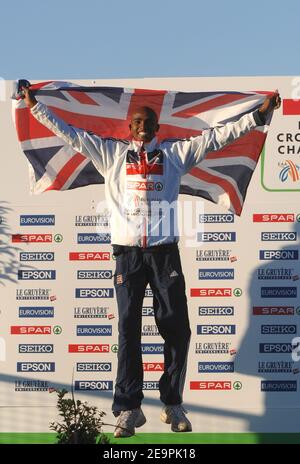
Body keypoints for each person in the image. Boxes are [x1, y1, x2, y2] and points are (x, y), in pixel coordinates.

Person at [22, 86, 281, 437]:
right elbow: (70, 133)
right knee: (128, 331)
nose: (143, 126)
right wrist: (34, 106)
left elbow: (219, 137)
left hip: (164, 255)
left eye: (149, 122)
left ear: (158, 127)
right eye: (137, 122)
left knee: (176, 329)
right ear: (130, 127)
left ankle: (173, 404)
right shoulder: (110, 154)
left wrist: (258, 116)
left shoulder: (175, 155)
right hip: (127, 256)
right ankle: (129, 408)